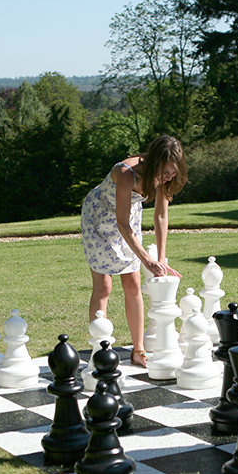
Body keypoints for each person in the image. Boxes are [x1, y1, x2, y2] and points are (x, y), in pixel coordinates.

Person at [81, 135, 188, 368]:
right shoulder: (126, 173)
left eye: (173, 173)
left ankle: (138, 350)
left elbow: (160, 215)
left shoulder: (165, 177)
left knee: (133, 284)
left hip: (128, 218)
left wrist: (160, 259)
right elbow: (121, 224)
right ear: (153, 164)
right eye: (165, 173)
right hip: (99, 219)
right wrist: (146, 259)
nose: (168, 178)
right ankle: (100, 350)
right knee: (104, 287)